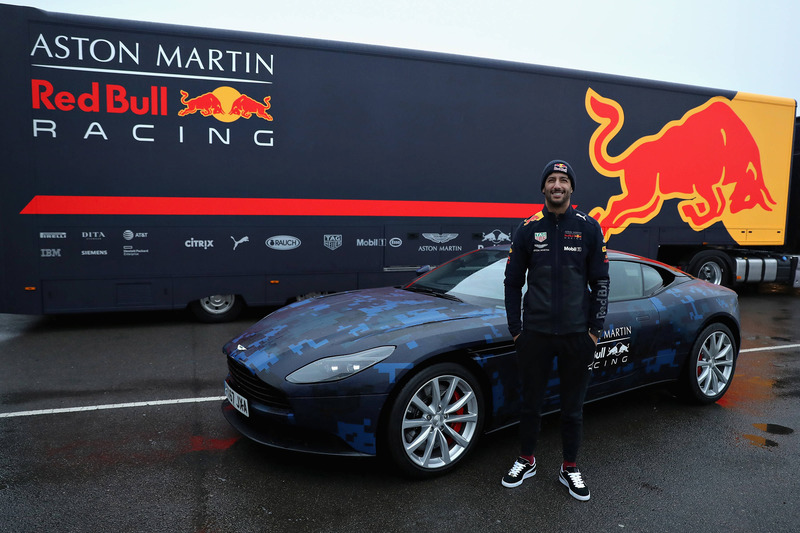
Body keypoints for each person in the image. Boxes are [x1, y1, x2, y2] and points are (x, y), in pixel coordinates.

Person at [501, 159, 609, 501]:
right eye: (552, 180)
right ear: (543, 188)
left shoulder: (589, 228)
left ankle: (570, 467)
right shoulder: (527, 229)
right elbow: (512, 281)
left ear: (571, 188)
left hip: (578, 336)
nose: (557, 185)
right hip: (535, 333)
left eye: (563, 180)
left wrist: (594, 331)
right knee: (530, 403)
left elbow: (601, 282)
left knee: (572, 407)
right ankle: (526, 459)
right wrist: (517, 330)